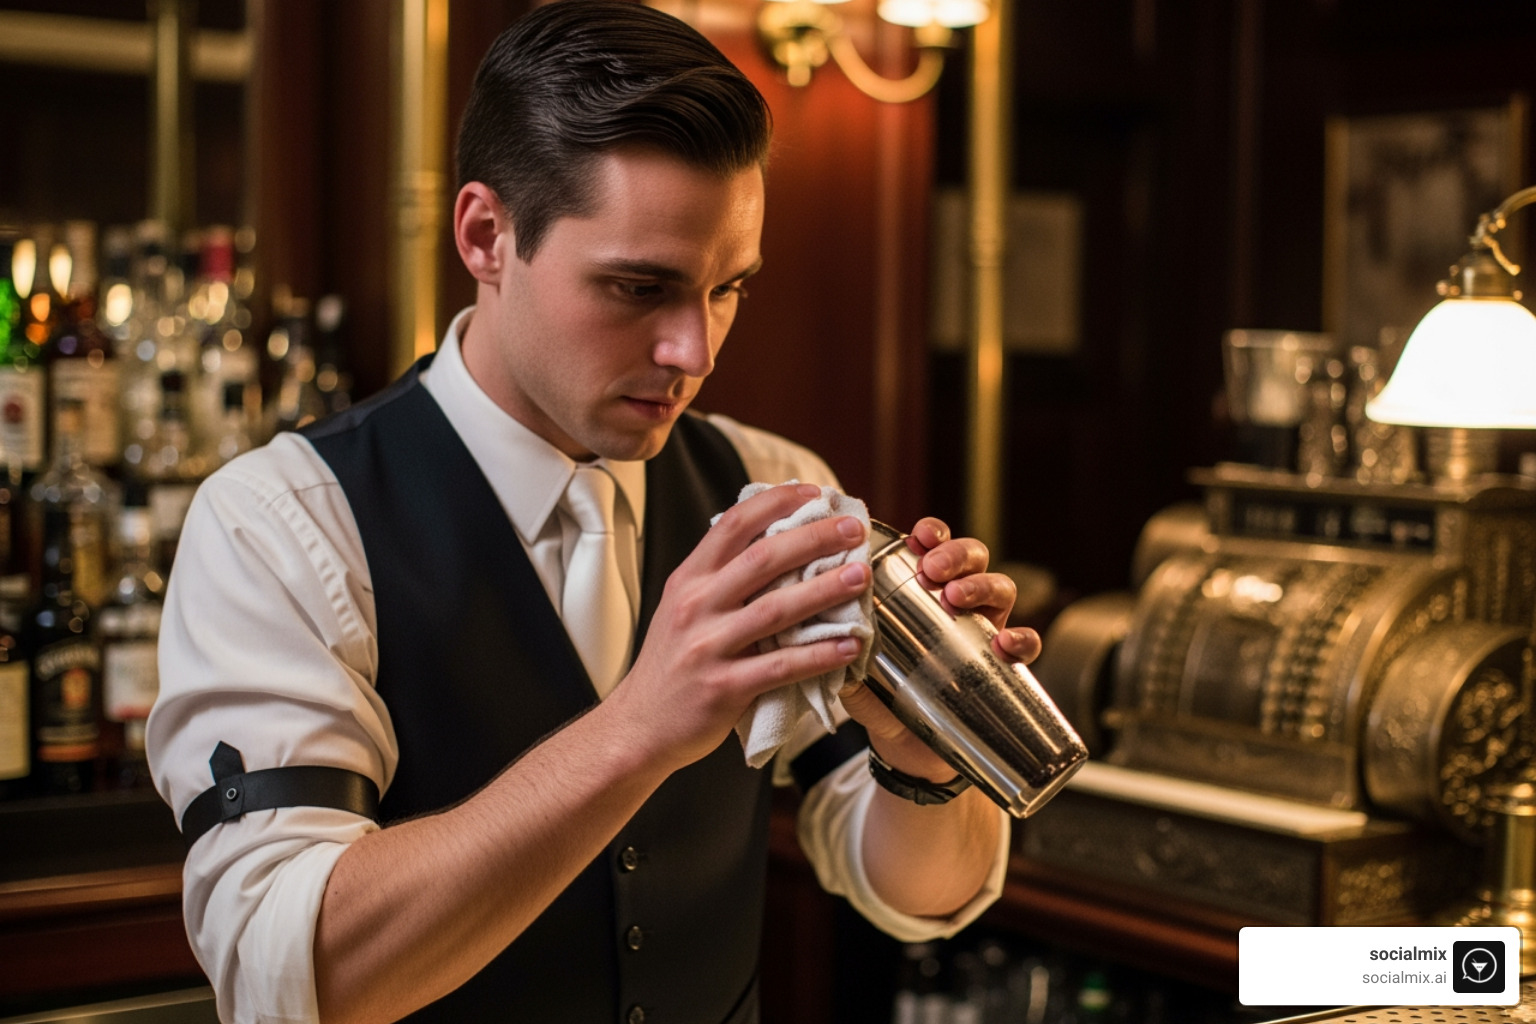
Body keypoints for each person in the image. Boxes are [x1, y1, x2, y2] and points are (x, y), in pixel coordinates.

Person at [147, 2, 1039, 1022]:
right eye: (638, 286)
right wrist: (641, 727)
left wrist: (923, 753)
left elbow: (918, 898)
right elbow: (294, 975)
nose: (693, 353)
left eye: (726, 289)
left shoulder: (770, 483)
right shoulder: (279, 524)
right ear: (487, 234)